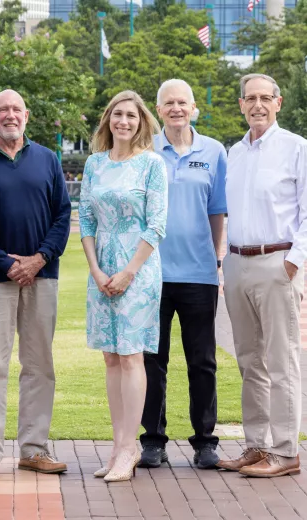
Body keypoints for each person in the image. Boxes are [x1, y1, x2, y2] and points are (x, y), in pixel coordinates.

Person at [0, 89, 71, 480]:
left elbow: (62, 214)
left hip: (42, 275)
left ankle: (34, 449)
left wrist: (40, 257)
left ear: (26, 115)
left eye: (16, 109)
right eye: (2, 110)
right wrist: (5, 262)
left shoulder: (46, 159)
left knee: (40, 365)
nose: (10, 115)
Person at [218, 73, 307, 477]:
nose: (257, 105)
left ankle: (286, 451)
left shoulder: (296, 148)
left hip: (277, 262)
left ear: (278, 102)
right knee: (249, 360)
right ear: (240, 104)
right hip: (237, 263)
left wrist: (293, 262)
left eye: (264, 98)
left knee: (281, 360)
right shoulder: (233, 152)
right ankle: (256, 445)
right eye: (249, 98)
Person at [79, 90, 167, 482]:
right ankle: (118, 446)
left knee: (132, 356)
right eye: (118, 115)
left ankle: (130, 448)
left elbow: (157, 225)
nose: (124, 122)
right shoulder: (95, 164)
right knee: (110, 357)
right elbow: (85, 222)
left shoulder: (151, 165)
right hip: (102, 271)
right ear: (108, 120)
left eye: (131, 116)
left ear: (141, 121)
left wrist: (130, 271)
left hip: (139, 270)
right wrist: (97, 270)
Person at [139, 79, 227, 470]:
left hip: (199, 274)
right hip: (151, 274)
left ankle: (205, 441)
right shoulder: (145, 151)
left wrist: (217, 260)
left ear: (194, 108)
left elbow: (217, 211)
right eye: (168, 103)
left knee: (202, 362)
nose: (176, 108)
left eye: (182, 103)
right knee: (152, 362)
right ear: (159, 110)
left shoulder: (214, 151)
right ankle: (153, 440)